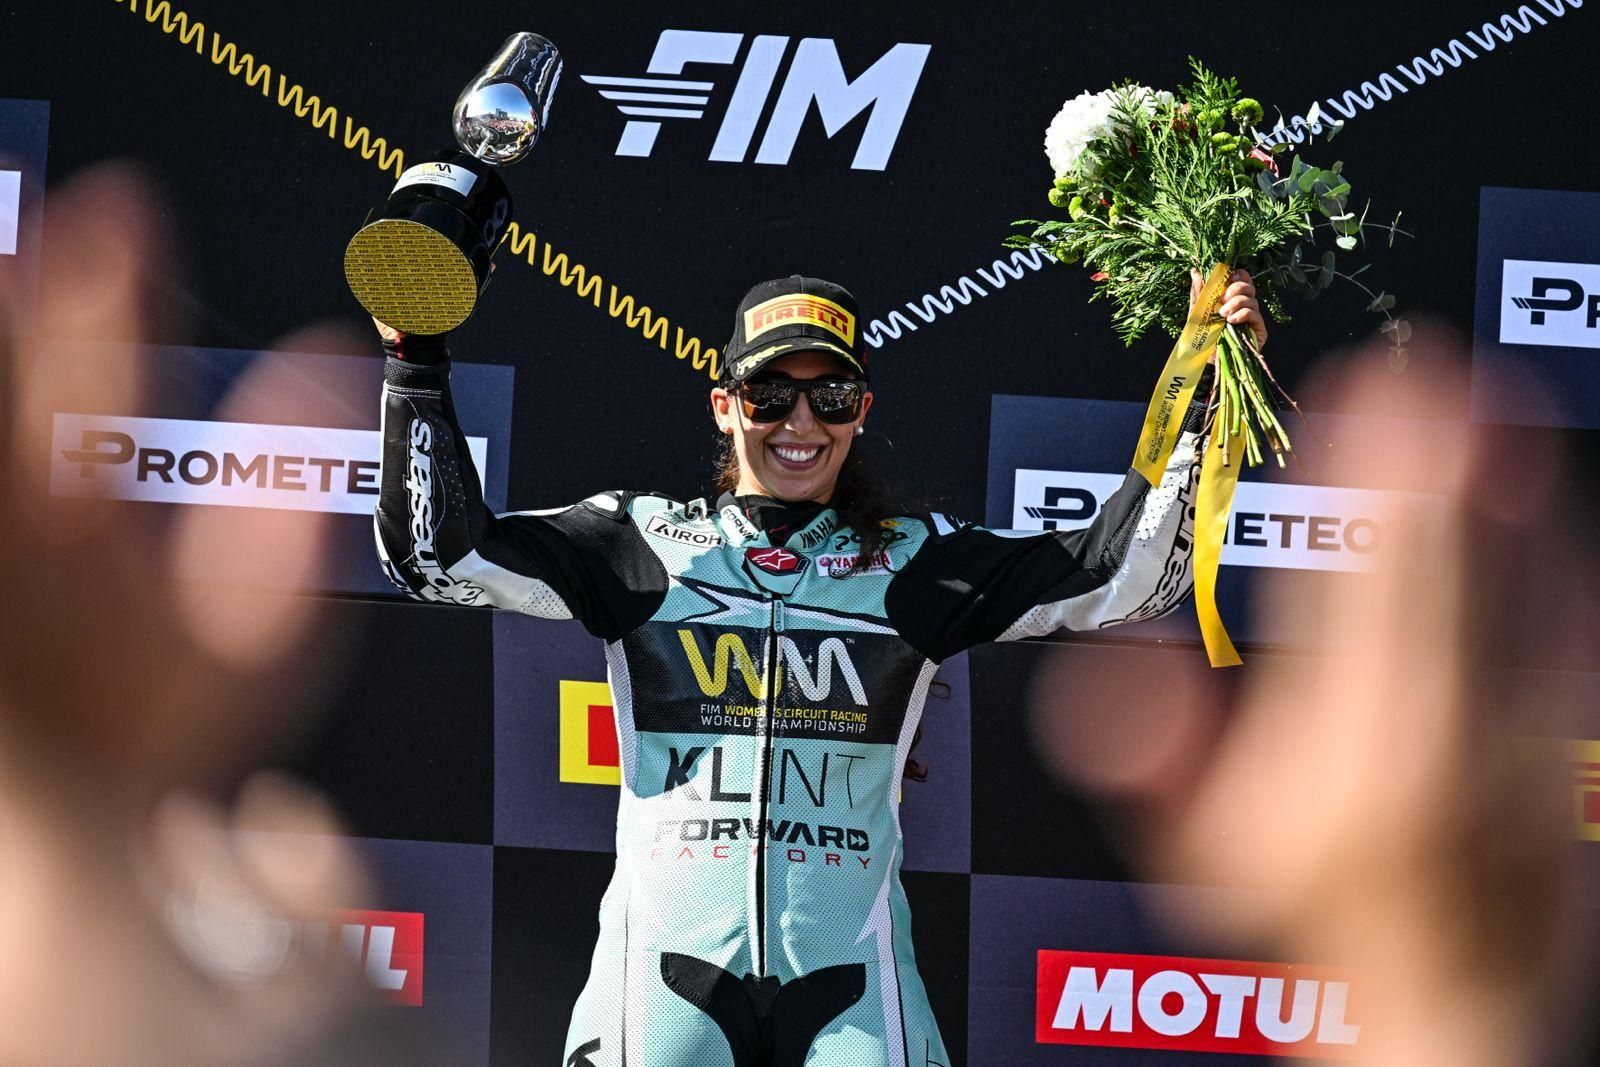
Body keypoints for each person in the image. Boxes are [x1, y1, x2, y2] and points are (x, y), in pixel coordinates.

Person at [373, 272, 1267, 1067]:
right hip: (660, 987)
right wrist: (415, 359)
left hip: (855, 995)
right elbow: (435, 557)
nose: (801, 424)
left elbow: (1126, 576)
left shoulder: (916, 565)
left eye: (831, 394)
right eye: (770, 394)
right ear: (725, 405)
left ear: (862, 411)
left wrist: (1209, 381)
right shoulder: (640, 542)